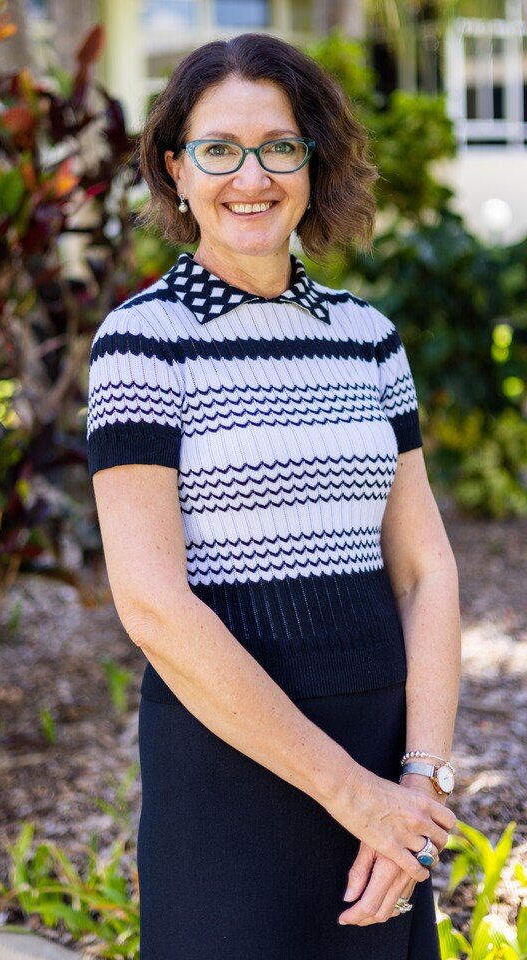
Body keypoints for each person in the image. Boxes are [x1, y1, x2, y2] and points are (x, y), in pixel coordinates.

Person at [87, 33, 461, 960]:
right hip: (230, 763)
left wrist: (419, 786)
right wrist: (352, 795)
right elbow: (153, 607)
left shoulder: (368, 338)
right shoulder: (143, 343)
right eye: (218, 149)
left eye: (279, 146)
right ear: (176, 169)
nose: (249, 175)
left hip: (385, 758)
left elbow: (425, 569)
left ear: (313, 162)